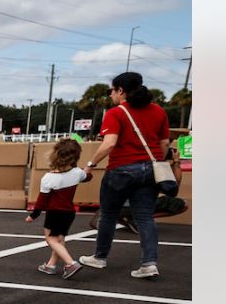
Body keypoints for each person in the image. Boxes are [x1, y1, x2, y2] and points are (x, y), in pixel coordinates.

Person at [78, 72, 170, 279]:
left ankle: (100, 257)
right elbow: (164, 144)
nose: (111, 94)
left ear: (121, 91)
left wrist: (90, 165)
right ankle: (149, 263)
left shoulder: (116, 113)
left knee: (109, 214)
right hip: (150, 169)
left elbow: (109, 143)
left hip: (122, 169)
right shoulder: (158, 111)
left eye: (112, 90)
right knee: (145, 217)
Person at [26, 139, 91, 279]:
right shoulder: (77, 173)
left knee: (51, 239)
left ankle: (70, 263)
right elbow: (88, 177)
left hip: (54, 213)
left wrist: (33, 216)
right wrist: (88, 167)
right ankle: (51, 265)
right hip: (69, 213)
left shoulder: (49, 178)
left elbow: (41, 201)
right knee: (59, 239)